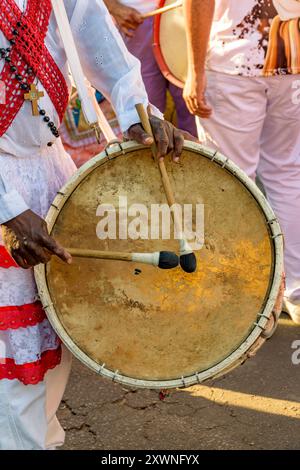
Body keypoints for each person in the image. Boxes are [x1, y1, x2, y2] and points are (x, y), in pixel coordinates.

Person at [0, 0, 185, 450]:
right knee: (11, 356)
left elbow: (104, 51)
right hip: (5, 186)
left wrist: (137, 113)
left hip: (47, 170)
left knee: (51, 341)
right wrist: (5, 209)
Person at [183, 0, 300, 324]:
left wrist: (195, 70)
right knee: (287, 173)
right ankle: (294, 290)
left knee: (230, 181)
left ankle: (242, 295)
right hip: (292, 60)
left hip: (233, 61)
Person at [104, 0, 197, 136]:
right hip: (135, 21)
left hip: (182, 14)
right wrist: (114, 7)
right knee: (144, 114)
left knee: (192, 106)